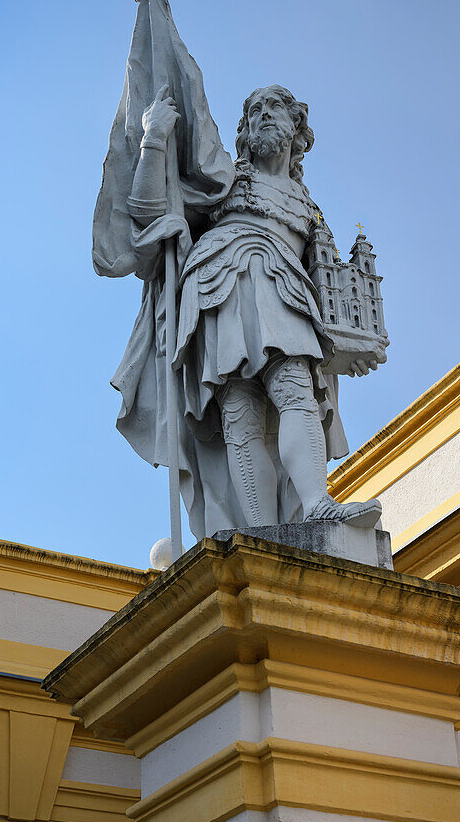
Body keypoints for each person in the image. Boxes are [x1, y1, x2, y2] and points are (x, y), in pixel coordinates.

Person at [127, 82, 380, 532]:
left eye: (274, 108)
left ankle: (315, 503)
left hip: (284, 286)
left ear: (296, 129)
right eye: (254, 110)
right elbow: (146, 209)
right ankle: (261, 534)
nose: (262, 115)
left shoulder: (310, 209)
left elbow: (332, 286)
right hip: (220, 283)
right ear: (243, 131)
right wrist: (153, 137)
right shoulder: (223, 177)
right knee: (240, 414)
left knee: (295, 389)